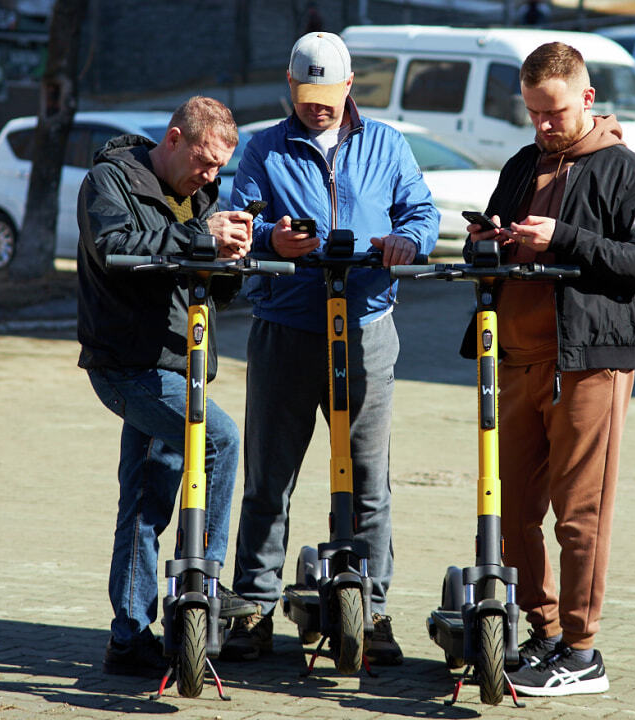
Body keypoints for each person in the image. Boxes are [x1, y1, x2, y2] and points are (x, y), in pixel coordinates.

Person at [221, 31, 440, 666]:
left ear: (351, 86)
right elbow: (241, 222)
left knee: (370, 479)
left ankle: (369, 610)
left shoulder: (387, 144)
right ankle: (255, 610)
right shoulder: (266, 147)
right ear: (291, 86)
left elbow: (421, 214)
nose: (319, 106)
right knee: (269, 477)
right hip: (285, 328)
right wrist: (271, 239)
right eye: (307, 94)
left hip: (368, 328)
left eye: (330, 94)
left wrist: (407, 241)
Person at [463, 41, 635, 696]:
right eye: (533, 113)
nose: (544, 126)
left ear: (587, 98)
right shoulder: (523, 164)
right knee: (512, 507)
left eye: (553, 112)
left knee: (580, 515)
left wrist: (563, 238)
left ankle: (582, 653)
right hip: (513, 361)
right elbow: (486, 250)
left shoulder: (627, 172)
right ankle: (542, 633)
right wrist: (485, 242)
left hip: (588, 365)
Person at [76, 96, 261, 677]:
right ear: (175, 139)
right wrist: (198, 235)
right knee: (223, 439)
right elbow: (116, 249)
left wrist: (233, 258)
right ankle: (203, 575)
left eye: (219, 170)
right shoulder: (110, 180)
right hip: (127, 364)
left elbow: (202, 285)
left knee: (144, 502)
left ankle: (129, 639)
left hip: (180, 363)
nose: (211, 177)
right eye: (205, 162)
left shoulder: (198, 195)